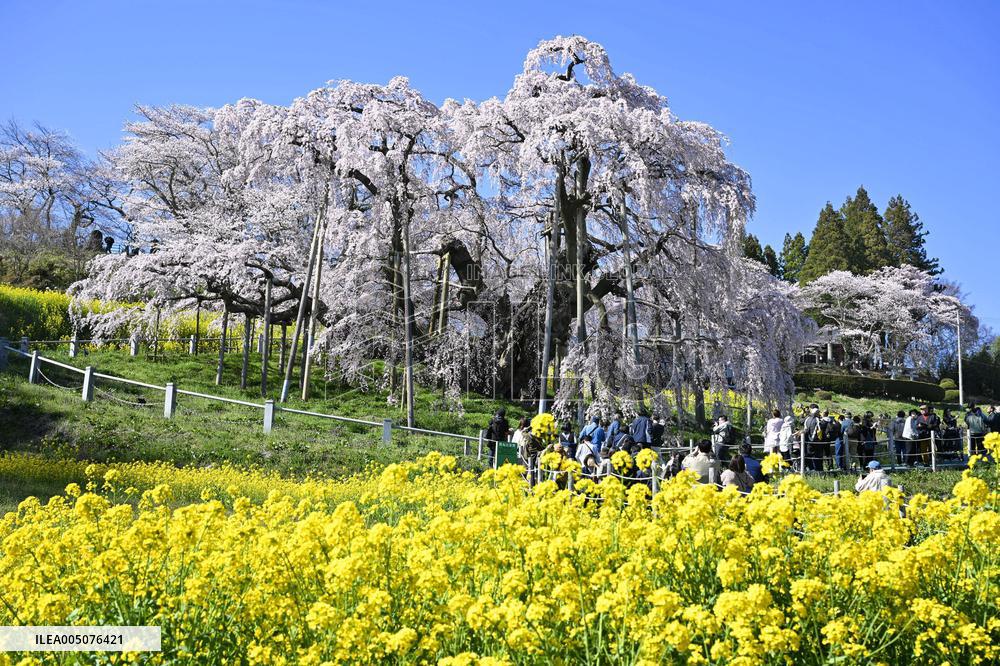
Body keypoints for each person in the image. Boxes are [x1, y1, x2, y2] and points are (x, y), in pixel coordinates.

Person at [803, 404, 823, 471]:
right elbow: (820, 429)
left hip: (808, 440)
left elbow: (805, 429)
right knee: (817, 456)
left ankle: (811, 469)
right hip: (816, 440)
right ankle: (818, 470)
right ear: (816, 413)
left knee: (809, 455)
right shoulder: (817, 419)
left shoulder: (807, 419)